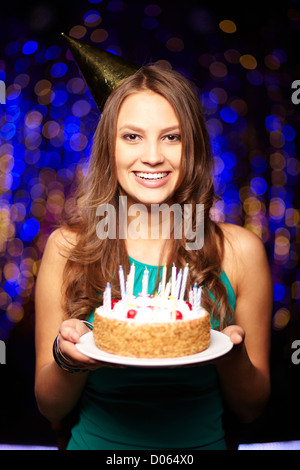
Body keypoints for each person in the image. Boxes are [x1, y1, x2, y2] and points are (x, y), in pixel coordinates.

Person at [34, 65, 273, 450]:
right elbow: (49, 407)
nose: (152, 156)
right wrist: (68, 359)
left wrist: (230, 353)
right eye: (132, 136)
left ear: (192, 145)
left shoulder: (240, 251)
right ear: (109, 147)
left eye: (171, 137)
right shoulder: (67, 248)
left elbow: (251, 408)